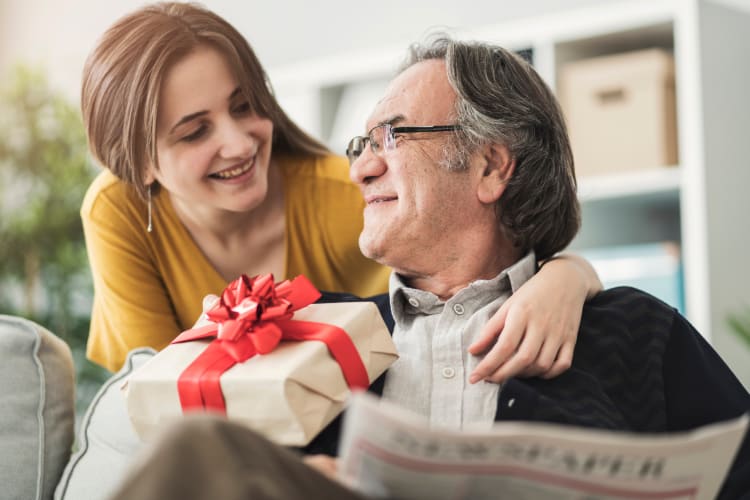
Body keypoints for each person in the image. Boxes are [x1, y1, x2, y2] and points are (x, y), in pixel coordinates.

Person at [109, 35, 750, 500]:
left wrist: (569, 272)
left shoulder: (635, 331)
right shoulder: (312, 331)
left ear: (491, 167)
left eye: (394, 135)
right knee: (196, 451)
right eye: (362, 145)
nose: (359, 168)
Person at [79, 2, 602, 377]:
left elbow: (488, 252)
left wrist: (567, 275)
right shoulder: (117, 210)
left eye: (243, 106)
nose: (238, 143)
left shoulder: (347, 193)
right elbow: (149, 390)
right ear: (141, 163)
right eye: (195, 131)